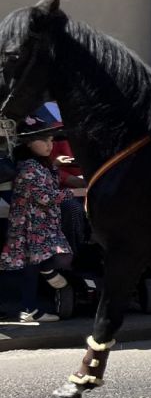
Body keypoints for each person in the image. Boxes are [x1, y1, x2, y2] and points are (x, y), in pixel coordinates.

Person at [1, 124, 73, 323]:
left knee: (34, 265)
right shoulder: (29, 166)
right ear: (29, 143)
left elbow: (47, 185)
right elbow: (43, 196)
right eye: (45, 140)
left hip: (39, 224)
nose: (50, 145)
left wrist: (56, 165)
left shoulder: (38, 163)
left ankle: (30, 308)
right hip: (30, 225)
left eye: (51, 140)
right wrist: (73, 193)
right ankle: (30, 307)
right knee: (37, 264)